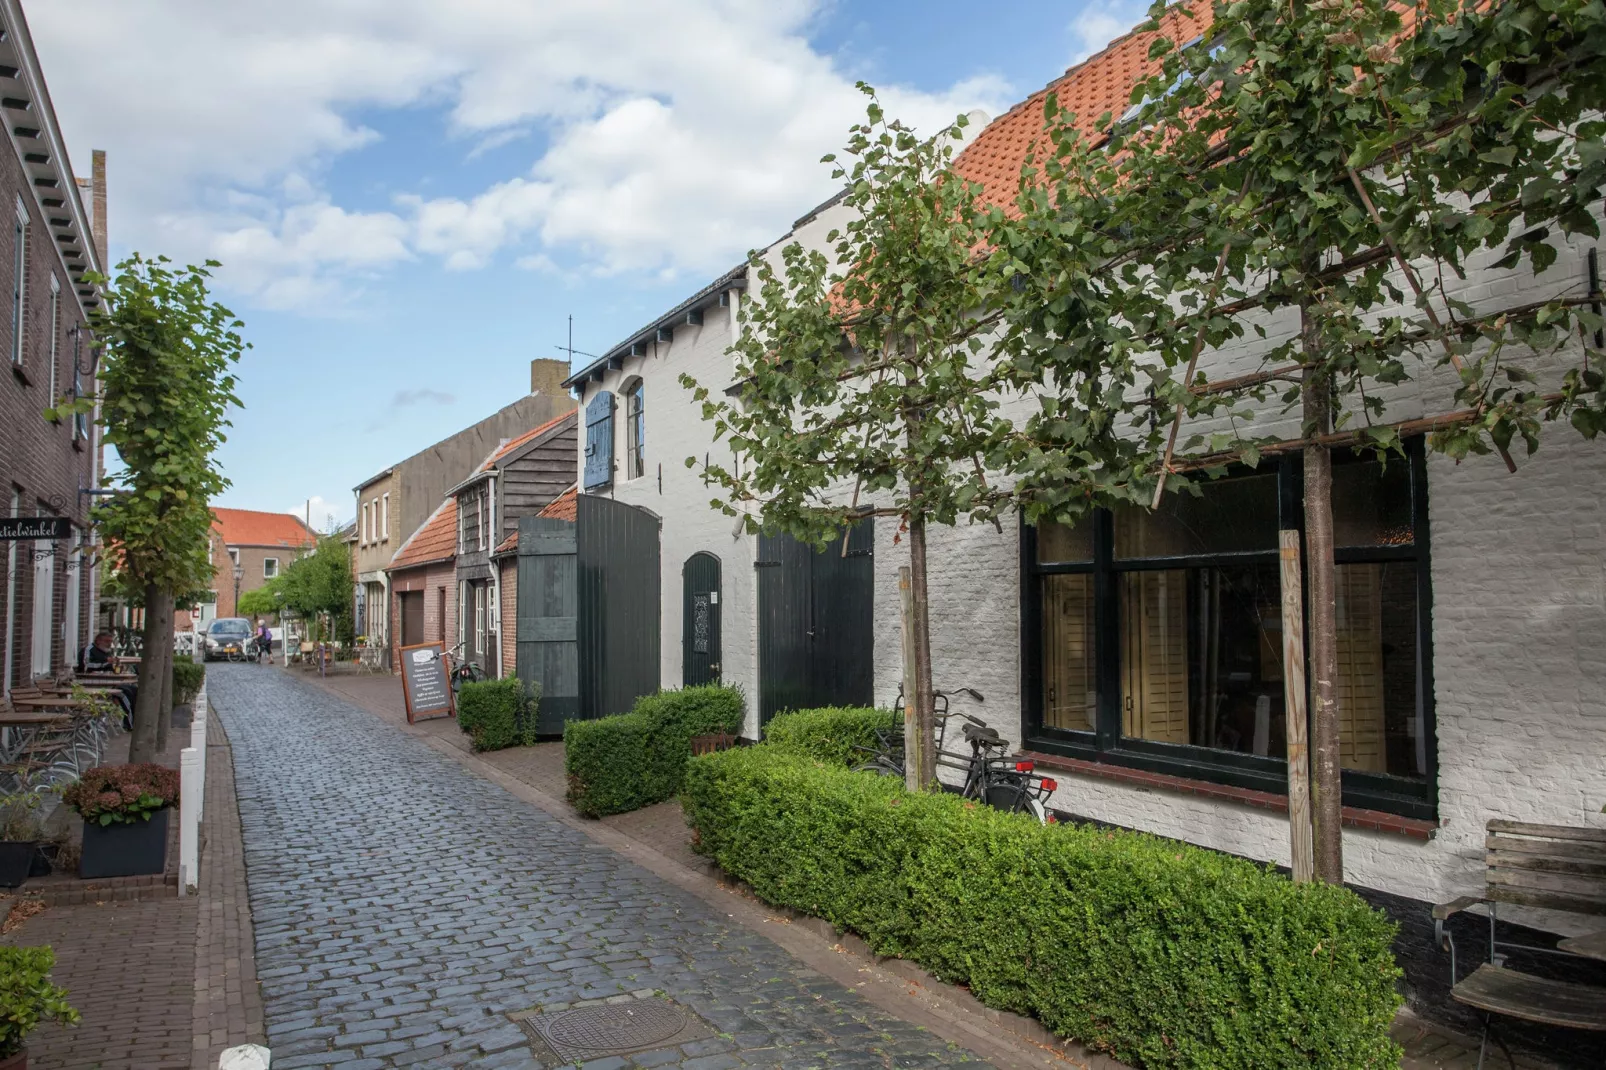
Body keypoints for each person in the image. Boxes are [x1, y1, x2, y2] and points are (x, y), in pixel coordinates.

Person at [77, 631, 135, 728]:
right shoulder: (88, 650)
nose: (109, 644)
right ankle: (129, 724)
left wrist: (116, 666)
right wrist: (105, 663)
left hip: (108, 680)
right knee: (124, 693)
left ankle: (131, 720)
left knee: (133, 690)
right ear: (98, 641)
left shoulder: (107, 651)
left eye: (111, 641)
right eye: (107, 641)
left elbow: (110, 667)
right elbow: (86, 666)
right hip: (91, 682)